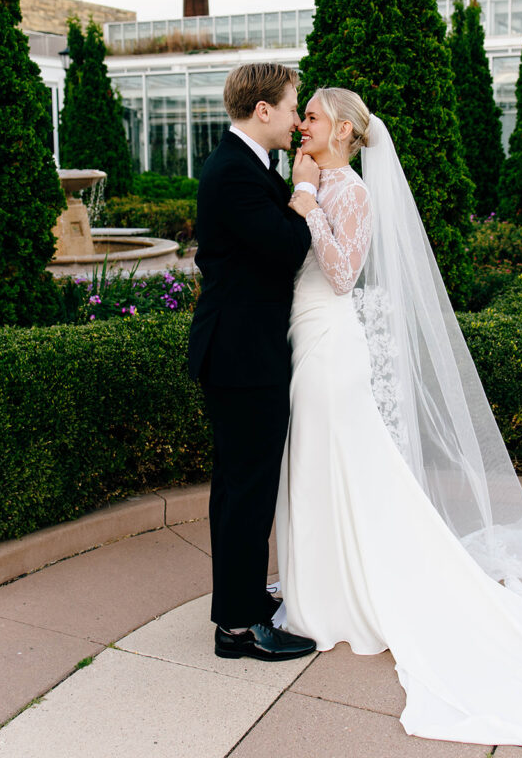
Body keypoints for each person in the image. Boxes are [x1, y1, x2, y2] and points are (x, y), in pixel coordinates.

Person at [276, 86, 522, 757]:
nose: (302, 124)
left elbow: (340, 274)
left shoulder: (347, 190)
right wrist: (298, 191)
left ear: (345, 132)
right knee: (322, 468)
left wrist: (303, 201)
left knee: (339, 466)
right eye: (304, 116)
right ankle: (323, 585)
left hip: (331, 346)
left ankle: (345, 595)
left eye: (313, 117)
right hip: (306, 339)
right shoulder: (312, 177)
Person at [188, 61, 319, 662]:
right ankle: (237, 628)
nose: (297, 119)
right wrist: (307, 189)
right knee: (245, 492)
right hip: (242, 359)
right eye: (293, 106)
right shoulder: (231, 174)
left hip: (249, 353)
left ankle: (244, 603)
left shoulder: (247, 165)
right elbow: (289, 246)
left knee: (247, 490)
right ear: (261, 109)